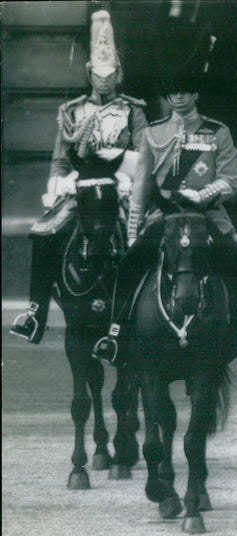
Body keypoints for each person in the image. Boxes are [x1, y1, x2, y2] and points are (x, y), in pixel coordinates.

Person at [92, 19, 237, 367]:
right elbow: (142, 189)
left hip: (208, 216)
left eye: (185, 90)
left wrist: (201, 195)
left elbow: (230, 182)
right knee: (130, 265)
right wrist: (133, 233)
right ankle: (114, 333)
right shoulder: (154, 133)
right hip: (164, 217)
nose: (178, 96)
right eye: (173, 91)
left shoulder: (217, 132)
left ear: (195, 93)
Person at [11, 8, 147, 344]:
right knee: (44, 234)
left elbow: (146, 156)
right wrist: (57, 189)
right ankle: (35, 313)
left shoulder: (133, 110)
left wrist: (120, 162)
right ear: (89, 74)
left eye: (110, 73)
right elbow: (60, 160)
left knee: (151, 239)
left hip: (122, 187)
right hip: (80, 187)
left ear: (119, 74)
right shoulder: (71, 111)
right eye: (98, 74)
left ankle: (147, 314)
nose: (103, 80)